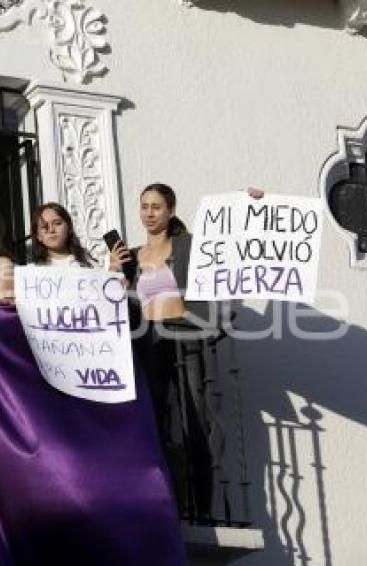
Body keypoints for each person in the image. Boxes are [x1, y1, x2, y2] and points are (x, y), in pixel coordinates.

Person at [109, 183, 263, 520]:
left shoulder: (188, 247)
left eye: (157, 207)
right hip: (148, 347)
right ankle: (162, 501)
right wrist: (113, 274)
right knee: (154, 421)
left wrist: (245, 204)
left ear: (171, 210)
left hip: (187, 344)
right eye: (144, 207)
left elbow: (229, 243)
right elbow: (119, 304)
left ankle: (203, 504)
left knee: (196, 419)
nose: (149, 213)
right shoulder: (130, 256)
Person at [29, 202, 94, 268]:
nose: (51, 230)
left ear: (69, 227)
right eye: (44, 226)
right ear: (38, 236)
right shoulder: (31, 271)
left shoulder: (89, 266)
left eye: (57, 223)